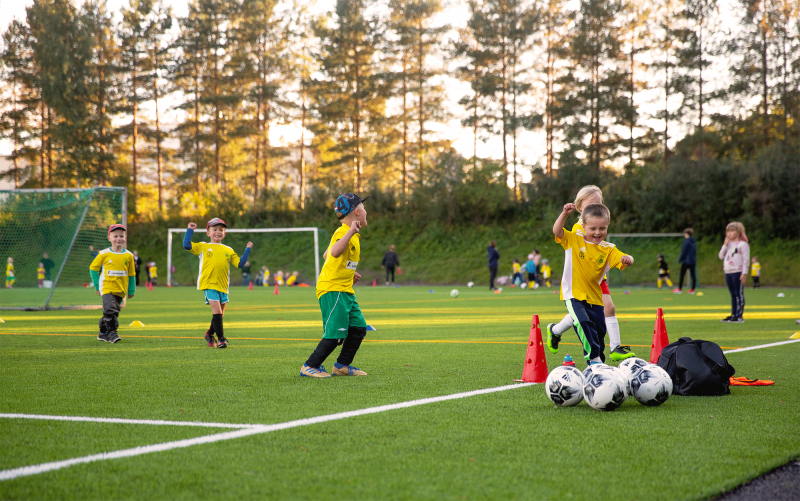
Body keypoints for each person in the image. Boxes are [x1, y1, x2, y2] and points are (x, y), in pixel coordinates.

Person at [546, 185, 636, 361]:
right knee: (582, 320)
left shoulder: (606, 246)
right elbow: (559, 233)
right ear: (580, 208)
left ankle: (557, 332)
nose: (597, 232)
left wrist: (628, 258)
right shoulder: (577, 232)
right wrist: (564, 214)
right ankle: (595, 361)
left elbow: (619, 254)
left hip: (596, 282)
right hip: (576, 287)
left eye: (599, 203)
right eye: (590, 205)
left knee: (598, 325)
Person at [301, 192, 370, 378]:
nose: (366, 212)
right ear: (356, 211)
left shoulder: (349, 235)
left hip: (345, 290)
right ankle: (310, 366)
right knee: (336, 333)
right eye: (364, 209)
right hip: (333, 289)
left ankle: (342, 366)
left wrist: (349, 271)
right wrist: (350, 232)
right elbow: (336, 252)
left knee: (358, 328)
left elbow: (327, 255)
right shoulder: (344, 232)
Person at [184, 217, 253, 349]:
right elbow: (187, 245)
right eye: (214, 229)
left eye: (221, 230)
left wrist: (247, 250)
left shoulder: (228, 250)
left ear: (224, 233)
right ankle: (221, 339)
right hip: (209, 284)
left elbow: (240, 264)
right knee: (216, 311)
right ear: (208, 232)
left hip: (223, 286)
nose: (218, 232)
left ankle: (209, 334)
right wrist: (190, 230)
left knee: (219, 314)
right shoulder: (203, 246)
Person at [89, 224, 136, 343]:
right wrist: (96, 285)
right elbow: (93, 269)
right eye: (115, 236)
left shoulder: (129, 255)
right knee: (110, 309)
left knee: (114, 313)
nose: (119, 238)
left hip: (121, 290)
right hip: (106, 287)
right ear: (109, 238)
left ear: (125, 237)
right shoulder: (104, 254)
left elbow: (131, 274)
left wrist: (131, 290)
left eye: (121, 236)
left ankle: (102, 332)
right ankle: (112, 333)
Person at [719, 222, 749, 323]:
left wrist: (744, 273)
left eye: (732, 231)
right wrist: (725, 245)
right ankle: (733, 313)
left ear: (738, 232)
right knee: (732, 294)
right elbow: (721, 256)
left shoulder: (743, 245)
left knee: (738, 293)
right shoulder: (729, 245)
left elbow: (746, 260)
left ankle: (739, 315)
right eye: (728, 231)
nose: (729, 233)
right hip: (728, 271)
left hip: (738, 271)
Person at [674, 228, 697, 294]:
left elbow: (683, 251)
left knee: (682, 275)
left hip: (686, 261)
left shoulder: (686, 241)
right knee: (693, 275)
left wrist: (680, 259)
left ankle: (680, 289)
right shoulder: (693, 241)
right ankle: (692, 289)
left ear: (687, 234)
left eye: (685, 234)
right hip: (693, 261)